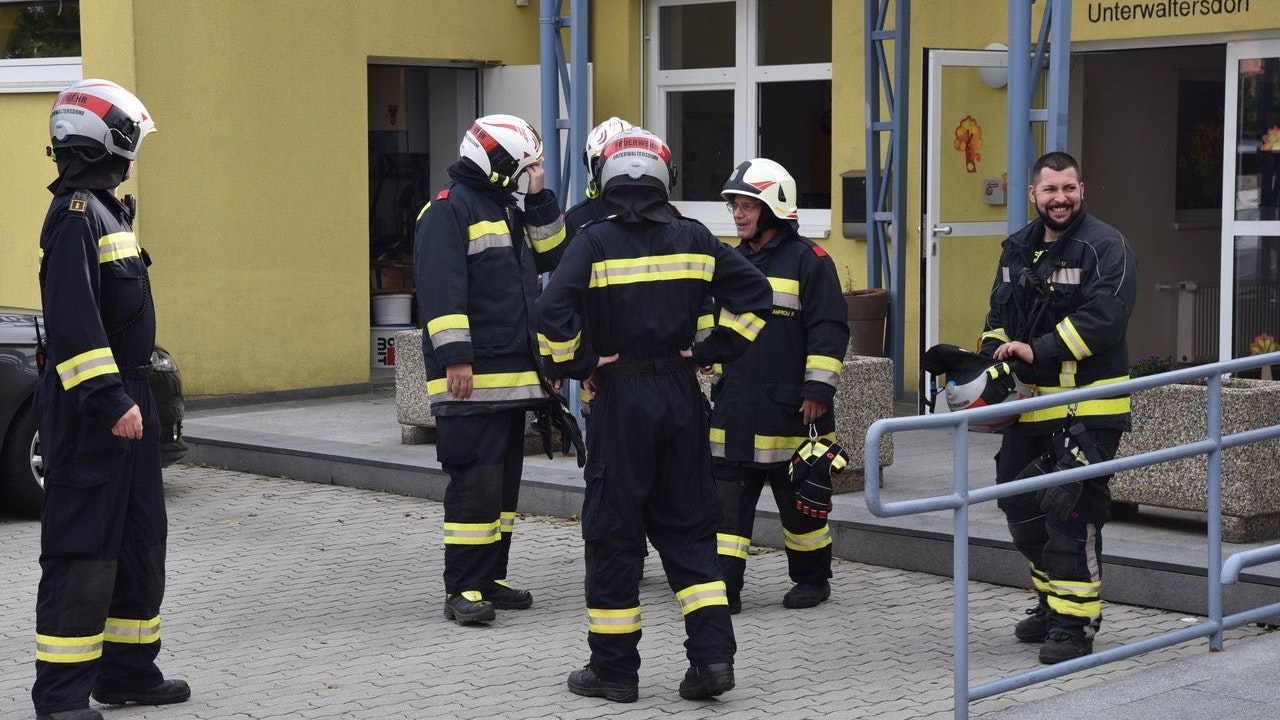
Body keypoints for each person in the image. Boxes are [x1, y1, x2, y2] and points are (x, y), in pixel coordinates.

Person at [536, 128, 772, 703]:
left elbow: (549, 311)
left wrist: (581, 361)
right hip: (680, 393)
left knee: (615, 535)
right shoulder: (695, 238)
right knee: (692, 530)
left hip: (620, 398)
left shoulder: (591, 242)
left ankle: (614, 671)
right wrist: (710, 352)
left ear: (605, 182)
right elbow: (758, 297)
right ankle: (713, 662)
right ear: (666, 179)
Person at [32, 79, 191, 720]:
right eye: (130, 141)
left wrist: (134, 399)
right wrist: (109, 398)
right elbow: (75, 324)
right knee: (83, 552)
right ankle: (62, 696)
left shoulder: (105, 209)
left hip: (129, 405)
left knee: (137, 543)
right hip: (93, 414)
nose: (134, 154)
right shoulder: (74, 215)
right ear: (104, 141)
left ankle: (128, 672)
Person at [980, 150, 1137, 664]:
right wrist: (986, 361)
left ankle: (1074, 626)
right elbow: (998, 314)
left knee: (1070, 516)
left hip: (1088, 410)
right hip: (1030, 409)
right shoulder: (1017, 249)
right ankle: (1052, 604)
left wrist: (1036, 350)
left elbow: (1103, 320)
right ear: (1034, 195)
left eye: (1068, 188)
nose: (1060, 198)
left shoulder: (1105, 247)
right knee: (1021, 509)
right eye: (1050, 190)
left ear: (1081, 189)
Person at [413, 113, 567, 626]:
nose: (529, 175)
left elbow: (554, 257)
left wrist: (541, 196)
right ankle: (463, 589)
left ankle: (489, 578)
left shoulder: (506, 208)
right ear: (499, 166)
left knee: (501, 491)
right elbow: (441, 289)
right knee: (474, 486)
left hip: (510, 378)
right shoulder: (448, 211)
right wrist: (456, 357)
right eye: (525, 168)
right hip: (471, 380)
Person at [709, 158, 850, 614]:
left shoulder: (811, 261)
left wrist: (818, 390)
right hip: (735, 409)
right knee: (726, 512)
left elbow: (829, 330)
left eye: (748, 204)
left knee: (801, 507)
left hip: (795, 410)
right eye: (735, 205)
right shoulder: (729, 261)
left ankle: (812, 581)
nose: (739, 214)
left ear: (774, 206)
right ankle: (723, 589)